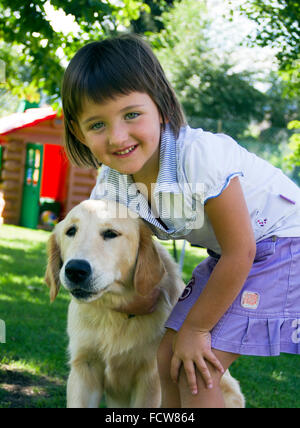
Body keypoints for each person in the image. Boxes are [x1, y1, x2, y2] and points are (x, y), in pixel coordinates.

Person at [61, 34, 300, 408]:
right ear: (78, 131)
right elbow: (100, 247)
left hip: (284, 247)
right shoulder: (111, 183)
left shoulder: (199, 158)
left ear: (161, 105)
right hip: (231, 257)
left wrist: (198, 327)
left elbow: (242, 250)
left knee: (195, 368)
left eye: (131, 115)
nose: (118, 137)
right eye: (97, 125)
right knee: (168, 356)